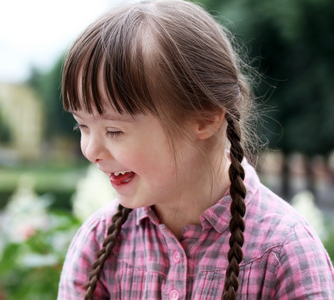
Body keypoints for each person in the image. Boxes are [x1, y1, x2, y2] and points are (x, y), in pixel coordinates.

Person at [57, 0, 334, 299]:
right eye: (82, 127)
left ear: (204, 118)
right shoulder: (98, 242)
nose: (90, 150)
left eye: (114, 130)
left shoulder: (284, 253)